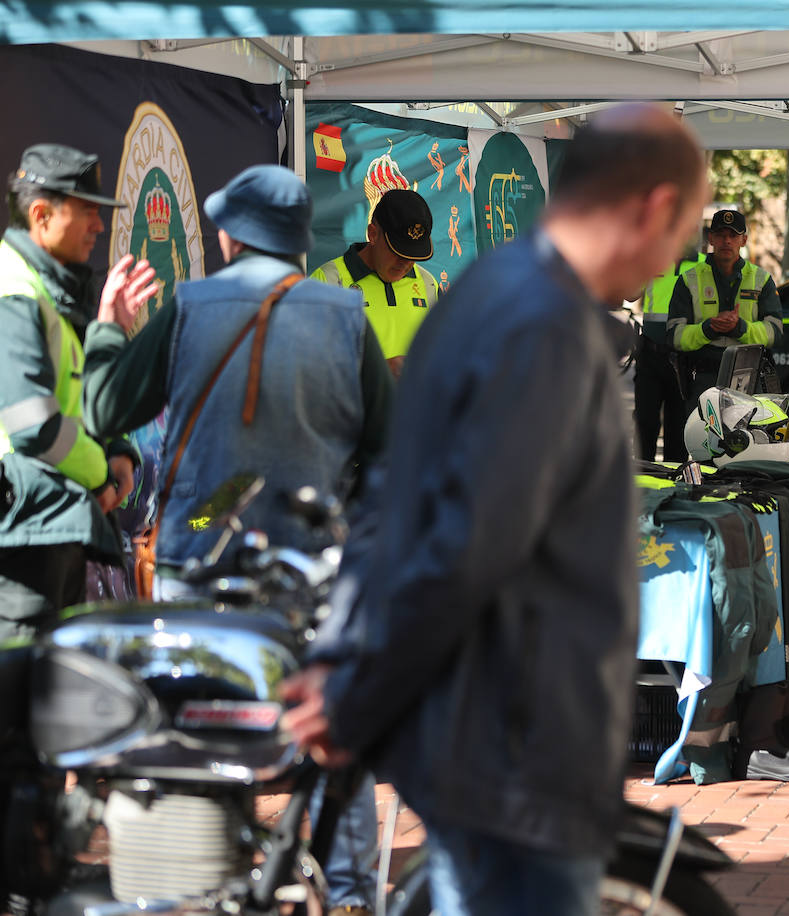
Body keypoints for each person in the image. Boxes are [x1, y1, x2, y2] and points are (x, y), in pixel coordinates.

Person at [280, 104, 708, 916]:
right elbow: (466, 544)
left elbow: (395, 495)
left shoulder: (488, 290)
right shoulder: (546, 327)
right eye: (679, 233)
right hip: (519, 743)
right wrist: (354, 698)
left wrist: (347, 666)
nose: (668, 260)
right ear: (653, 208)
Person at [82, 164, 393, 916]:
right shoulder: (349, 317)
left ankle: (199, 885)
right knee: (332, 737)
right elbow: (388, 455)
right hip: (311, 567)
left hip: (199, 559)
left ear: (230, 235)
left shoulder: (188, 306)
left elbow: (101, 409)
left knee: (197, 735)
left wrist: (105, 328)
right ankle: (347, 896)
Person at [0, 143, 156, 641]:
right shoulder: (15, 290)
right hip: (22, 532)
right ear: (42, 215)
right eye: (88, 211)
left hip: (48, 524)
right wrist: (102, 478)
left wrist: (119, 450)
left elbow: (82, 400)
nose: (99, 226)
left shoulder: (54, 291)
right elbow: (35, 425)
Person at [311, 188, 439, 378]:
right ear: (373, 234)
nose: (405, 263)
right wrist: (375, 374)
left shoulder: (428, 284)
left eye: (413, 255)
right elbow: (304, 367)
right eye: (398, 252)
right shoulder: (327, 282)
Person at [667, 208, 784, 401]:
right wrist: (707, 329)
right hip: (702, 376)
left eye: (733, 235)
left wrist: (740, 328)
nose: (726, 241)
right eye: (720, 235)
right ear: (711, 238)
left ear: (744, 240)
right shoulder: (689, 279)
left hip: (749, 377)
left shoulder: (761, 279)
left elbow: (775, 333)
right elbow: (674, 336)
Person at [633, 239, 703, 461]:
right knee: (644, 422)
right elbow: (629, 293)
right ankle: (641, 479)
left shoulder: (702, 265)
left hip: (685, 358)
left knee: (679, 427)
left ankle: (673, 487)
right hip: (650, 353)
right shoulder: (654, 258)